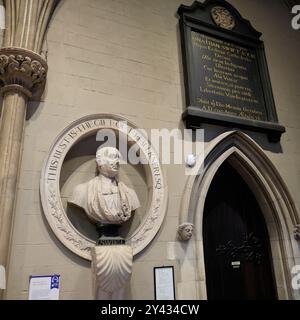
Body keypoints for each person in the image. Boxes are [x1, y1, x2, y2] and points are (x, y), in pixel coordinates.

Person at [68, 146, 140, 225]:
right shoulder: (81, 191)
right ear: (99, 161)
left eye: (118, 158)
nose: (117, 161)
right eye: (112, 157)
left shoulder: (130, 194)